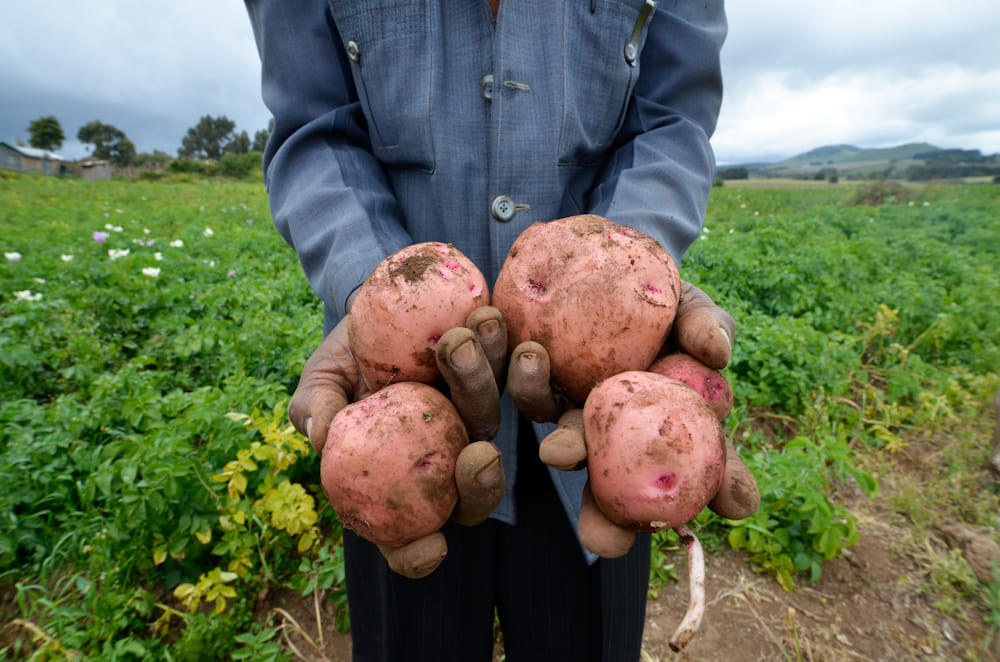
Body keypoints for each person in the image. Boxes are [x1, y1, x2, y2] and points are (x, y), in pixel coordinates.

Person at [244, 1, 755, 660]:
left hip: (592, 420)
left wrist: (628, 275)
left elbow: (672, 118)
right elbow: (315, 128)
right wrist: (383, 300)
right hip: (396, 411)